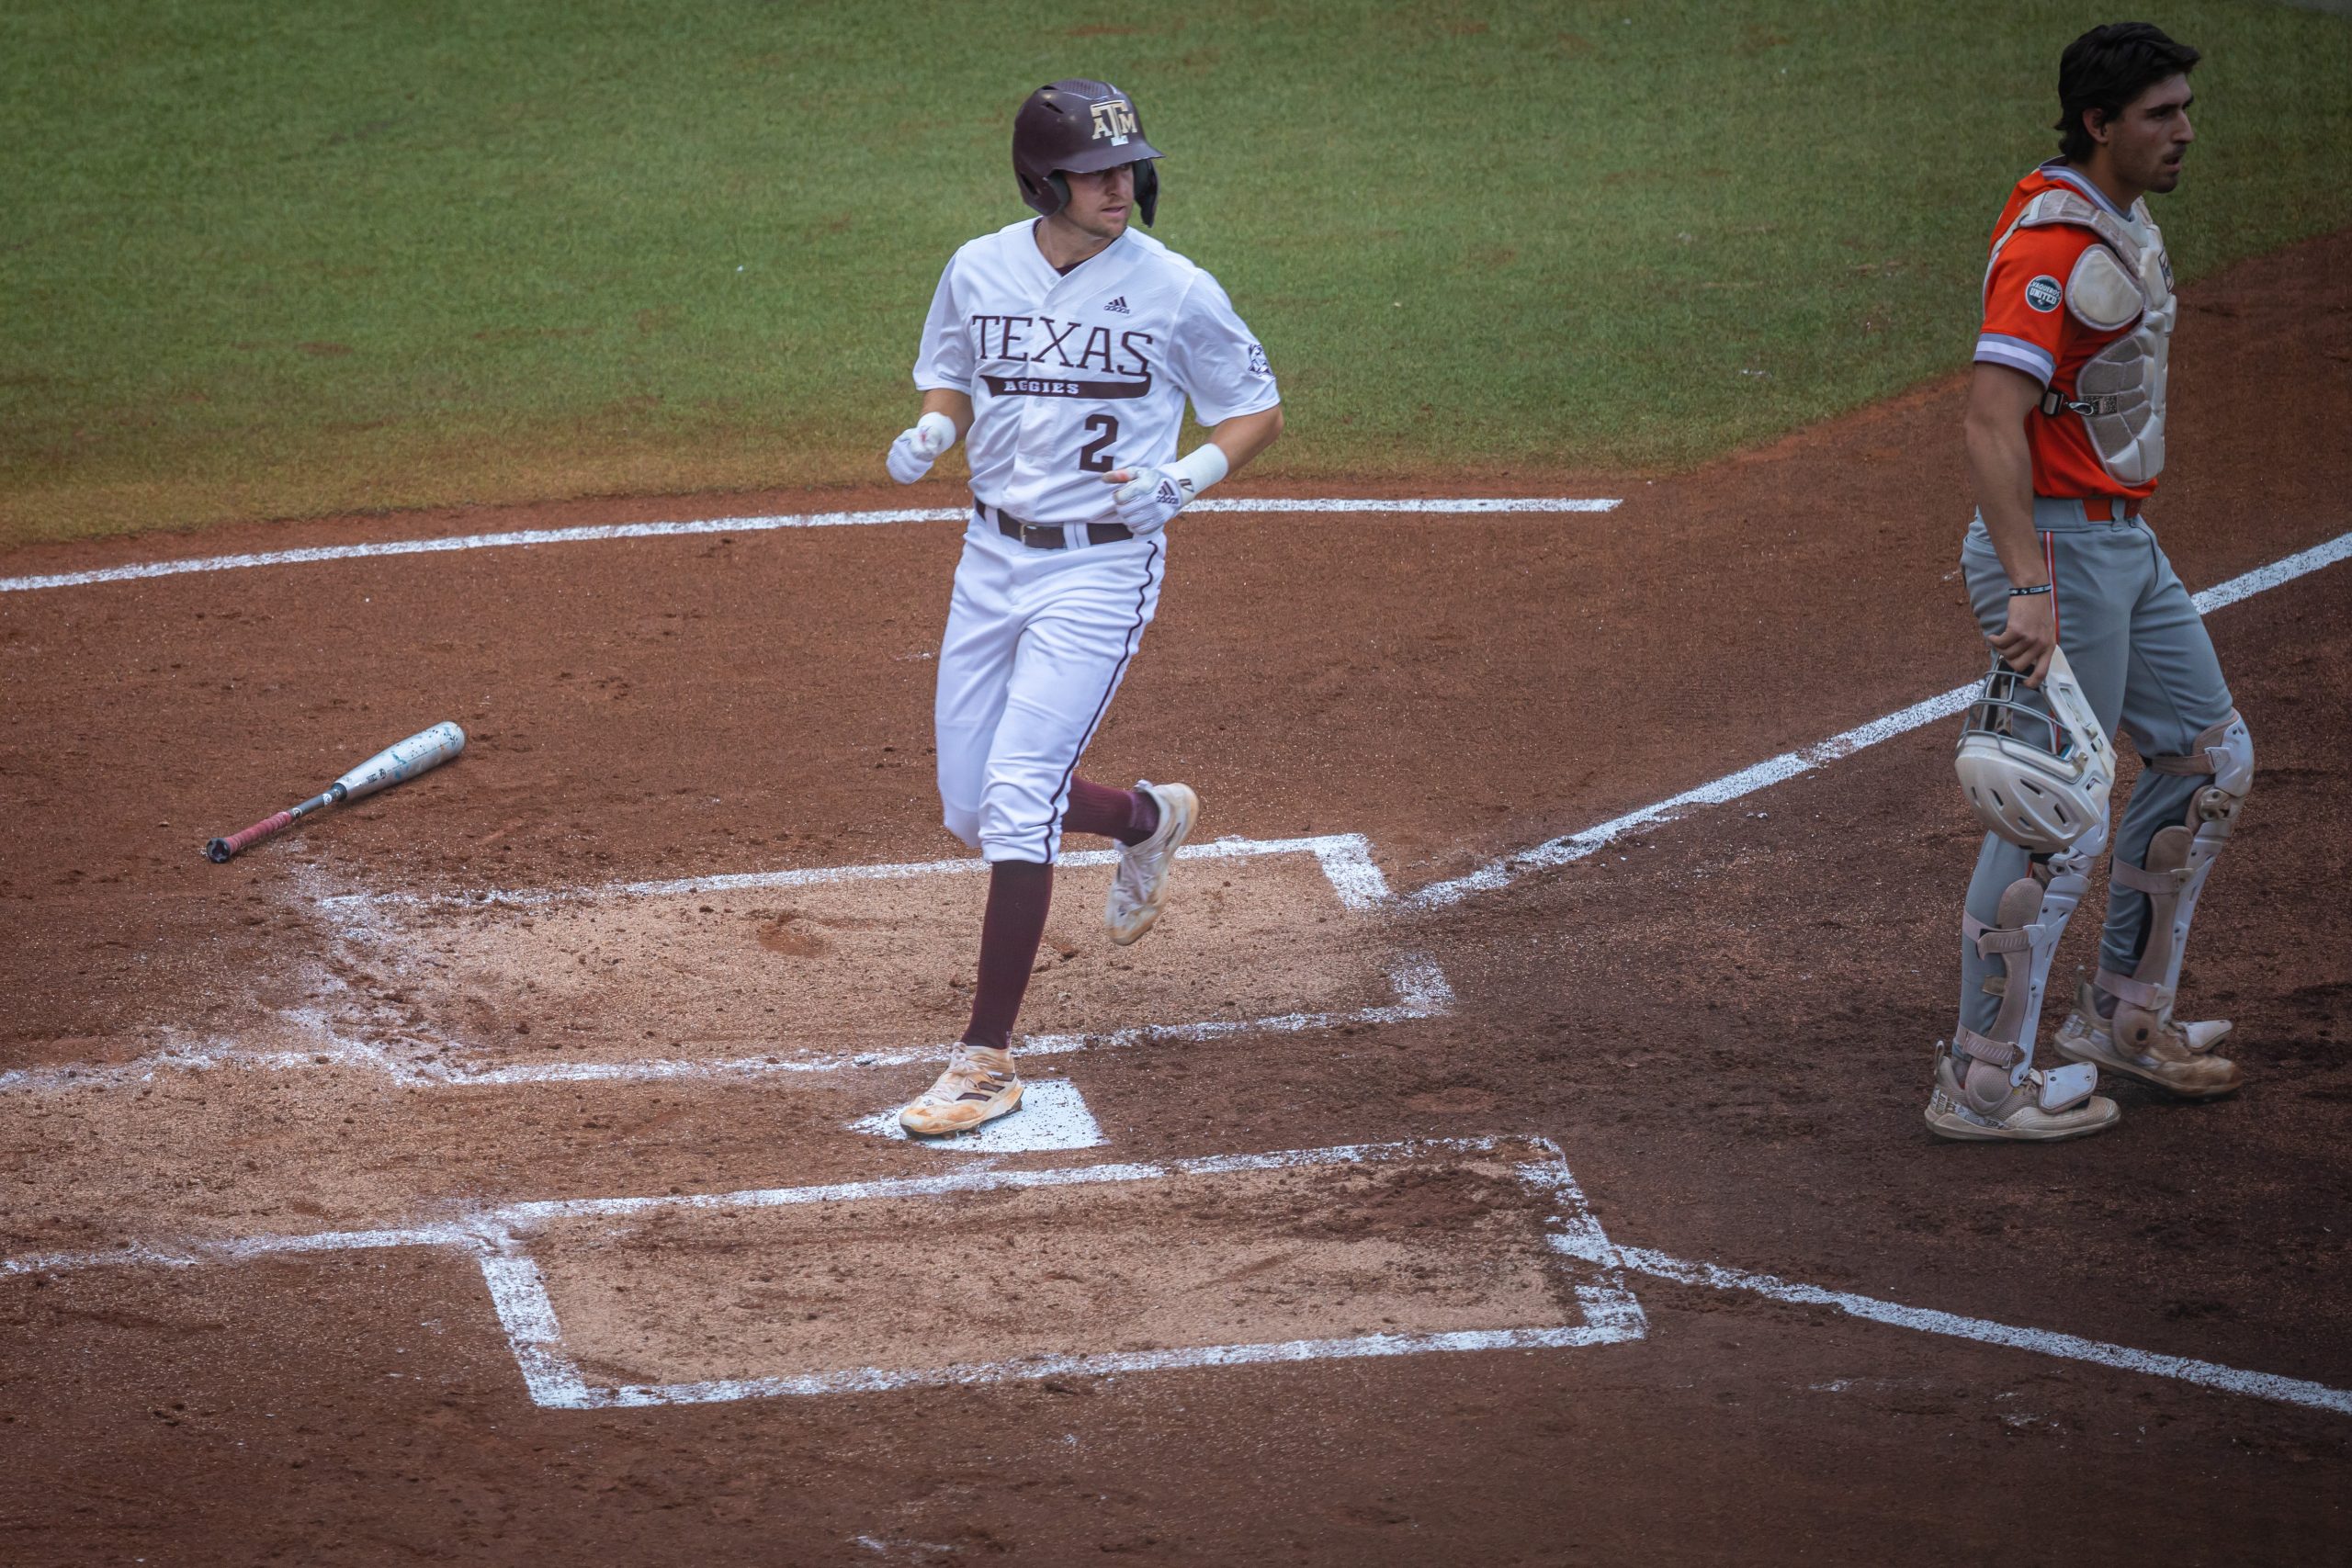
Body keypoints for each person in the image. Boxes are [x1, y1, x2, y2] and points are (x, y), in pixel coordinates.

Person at [883, 79, 1283, 1135]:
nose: (1121, 185)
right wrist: (934, 429)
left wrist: (1185, 477)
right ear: (1041, 179)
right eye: (1096, 172)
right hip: (989, 558)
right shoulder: (978, 268)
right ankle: (1148, 818)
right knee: (972, 812)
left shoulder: (1176, 289)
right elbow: (949, 374)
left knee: (1017, 798)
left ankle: (985, 1061)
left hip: (1101, 570)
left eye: (1127, 168)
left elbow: (1254, 409)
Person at [1928, 22, 2250, 1142]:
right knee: (2050, 811)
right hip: (2056, 551)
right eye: (2159, 114)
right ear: (2098, 123)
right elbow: (1987, 418)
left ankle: (2121, 1016)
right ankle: (1979, 1079)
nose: (2182, 132)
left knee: (2206, 761)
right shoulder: (2050, 245)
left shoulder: (2120, 219)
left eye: (2183, 110)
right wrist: (2026, 580)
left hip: (2122, 541)